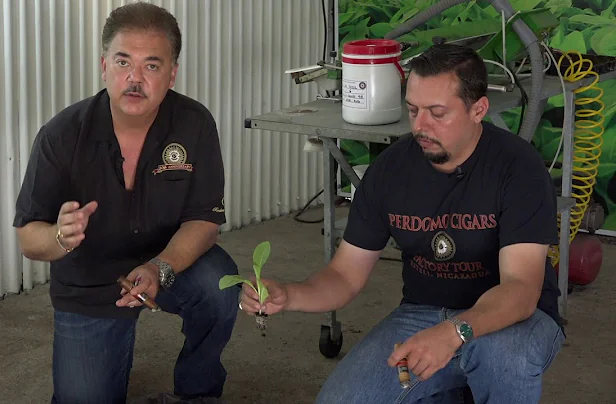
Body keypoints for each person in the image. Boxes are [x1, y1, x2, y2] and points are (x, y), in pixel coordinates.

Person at [240, 44, 565, 403]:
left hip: (513, 321)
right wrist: (290, 295)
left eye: (437, 113)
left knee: (505, 358)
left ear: (479, 109)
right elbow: (346, 275)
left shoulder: (518, 168)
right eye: (413, 110)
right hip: (422, 314)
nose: (420, 126)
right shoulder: (391, 170)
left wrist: (452, 333)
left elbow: (520, 291)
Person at [13, 3, 239, 404]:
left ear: (172, 73)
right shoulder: (61, 135)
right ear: (104, 66)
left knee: (219, 283)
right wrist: (60, 237)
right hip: (90, 280)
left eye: (152, 66)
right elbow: (30, 239)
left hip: (168, 262)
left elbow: (204, 221)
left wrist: (160, 268)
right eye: (122, 62)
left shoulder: (194, 124)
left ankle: (197, 392)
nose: (134, 79)